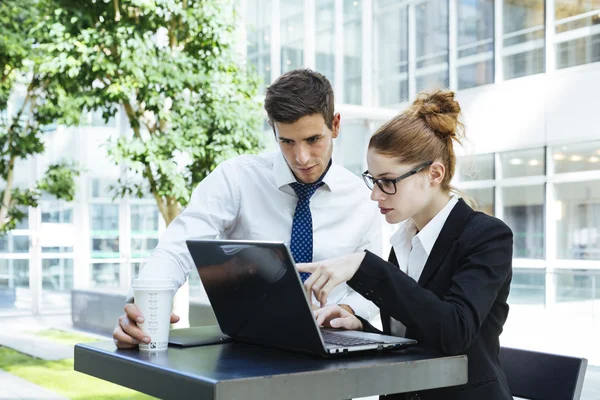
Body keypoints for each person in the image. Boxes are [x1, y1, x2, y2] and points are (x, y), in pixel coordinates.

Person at [112, 69, 381, 348]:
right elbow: (177, 246)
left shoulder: (365, 198)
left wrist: (349, 312)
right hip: (248, 348)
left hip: (329, 348)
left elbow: (376, 284)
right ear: (273, 129)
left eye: (313, 139)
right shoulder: (236, 178)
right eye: (287, 141)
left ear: (335, 125)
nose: (301, 158)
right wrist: (141, 306)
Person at [298, 90, 513, 400]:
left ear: (434, 174)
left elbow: (454, 331)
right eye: (373, 180)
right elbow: (416, 337)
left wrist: (365, 265)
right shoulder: (404, 240)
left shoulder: (487, 236)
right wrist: (360, 328)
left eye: (388, 181)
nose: (375, 195)